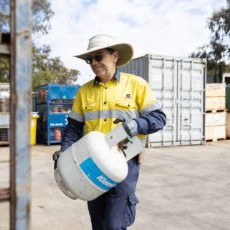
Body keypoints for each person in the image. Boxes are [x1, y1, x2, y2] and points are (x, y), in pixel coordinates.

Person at [53, 34, 166, 229]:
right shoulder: (84, 91)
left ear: (114, 56)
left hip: (124, 163)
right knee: (98, 222)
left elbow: (159, 118)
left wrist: (136, 125)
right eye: (90, 60)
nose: (94, 63)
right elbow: (73, 128)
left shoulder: (136, 85)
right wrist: (64, 152)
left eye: (99, 57)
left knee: (115, 225)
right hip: (90, 164)